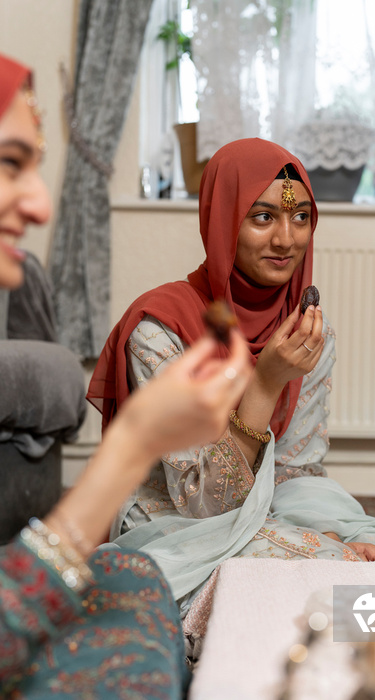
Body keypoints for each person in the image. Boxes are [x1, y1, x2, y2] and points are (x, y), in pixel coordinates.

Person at [88, 139, 375, 650]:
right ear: (223, 220)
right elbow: (199, 502)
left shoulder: (306, 333)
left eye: (301, 217)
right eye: (262, 217)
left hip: (270, 506)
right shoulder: (161, 330)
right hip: (176, 523)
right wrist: (264, 383)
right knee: (340, 583)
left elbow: (295, 471)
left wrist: (319, 536)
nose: (286, 239)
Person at [0, 53, 251, 698]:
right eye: (9, 164)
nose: (40, 202)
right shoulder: (160, 323)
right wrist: (134, 445)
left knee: (129, 572)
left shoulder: (308, 325)